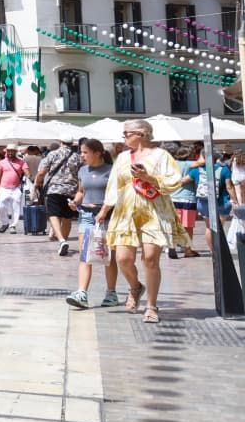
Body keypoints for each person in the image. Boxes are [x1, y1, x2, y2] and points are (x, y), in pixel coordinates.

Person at [105, 119, 186, 323]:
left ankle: (151, 305)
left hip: (154, 211)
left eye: (126, 133)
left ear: (141, 133)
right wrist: (105, 209)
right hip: (126, 212)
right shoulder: (123, 157)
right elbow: (114, 185)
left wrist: (149, 177)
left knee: (150, 258)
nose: (124, 137)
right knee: (122, 259)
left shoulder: (162, 155)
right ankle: (135, 287)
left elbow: (173, 181)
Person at [66, 138, 119, 310]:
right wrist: (75, 201)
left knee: (108, 256)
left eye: (85, 152)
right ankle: (82, 292)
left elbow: (115, 195)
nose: (82, 155)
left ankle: (111, 293)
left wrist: (104, 211)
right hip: (87, 215)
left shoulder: (111, 171)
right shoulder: (83, 170)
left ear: (98, 153)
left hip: (107, 215)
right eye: (81, 152)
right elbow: (82, 191)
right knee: (85, 254)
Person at [36, 140, 82, 255]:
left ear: (61, 142)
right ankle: (64, 241)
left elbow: (42, 172)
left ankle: (61, 241)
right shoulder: (77, 157)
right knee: (67, 218)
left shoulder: (53, 154)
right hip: (71, 190)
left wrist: (37, 183)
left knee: (53, 215)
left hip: (54, 189)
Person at [0, 145, 28, 233]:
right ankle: (5, 223)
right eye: (8, 151)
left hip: (16, 188)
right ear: (6, 152)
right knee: (0, 205)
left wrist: (28, 174)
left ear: (15, 152)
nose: (10, 153)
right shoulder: (2, 162)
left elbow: (26, 171)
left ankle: (13, 225)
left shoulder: (21, 162)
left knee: (16, 208)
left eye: (12, 151)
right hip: (3, 188)